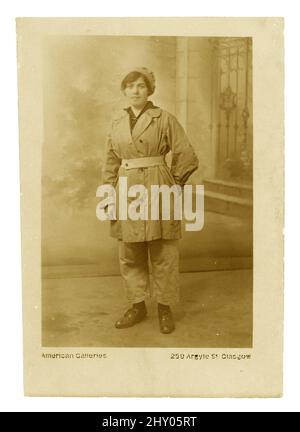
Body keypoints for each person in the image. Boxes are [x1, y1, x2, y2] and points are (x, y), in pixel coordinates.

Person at [102, 67, 198, 334]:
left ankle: (164, 308)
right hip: (127, 189)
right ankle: (137, 305)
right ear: (124, 90)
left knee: (163, 250)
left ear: (150, 90)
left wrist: (173, 184)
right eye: (130, 86)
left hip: (158, 187)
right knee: (130, 252)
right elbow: (110, 162)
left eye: (141, 86)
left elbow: (186, 153)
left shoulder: (164, 118)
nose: (135, 90)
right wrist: (109, 194)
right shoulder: (116, 123)